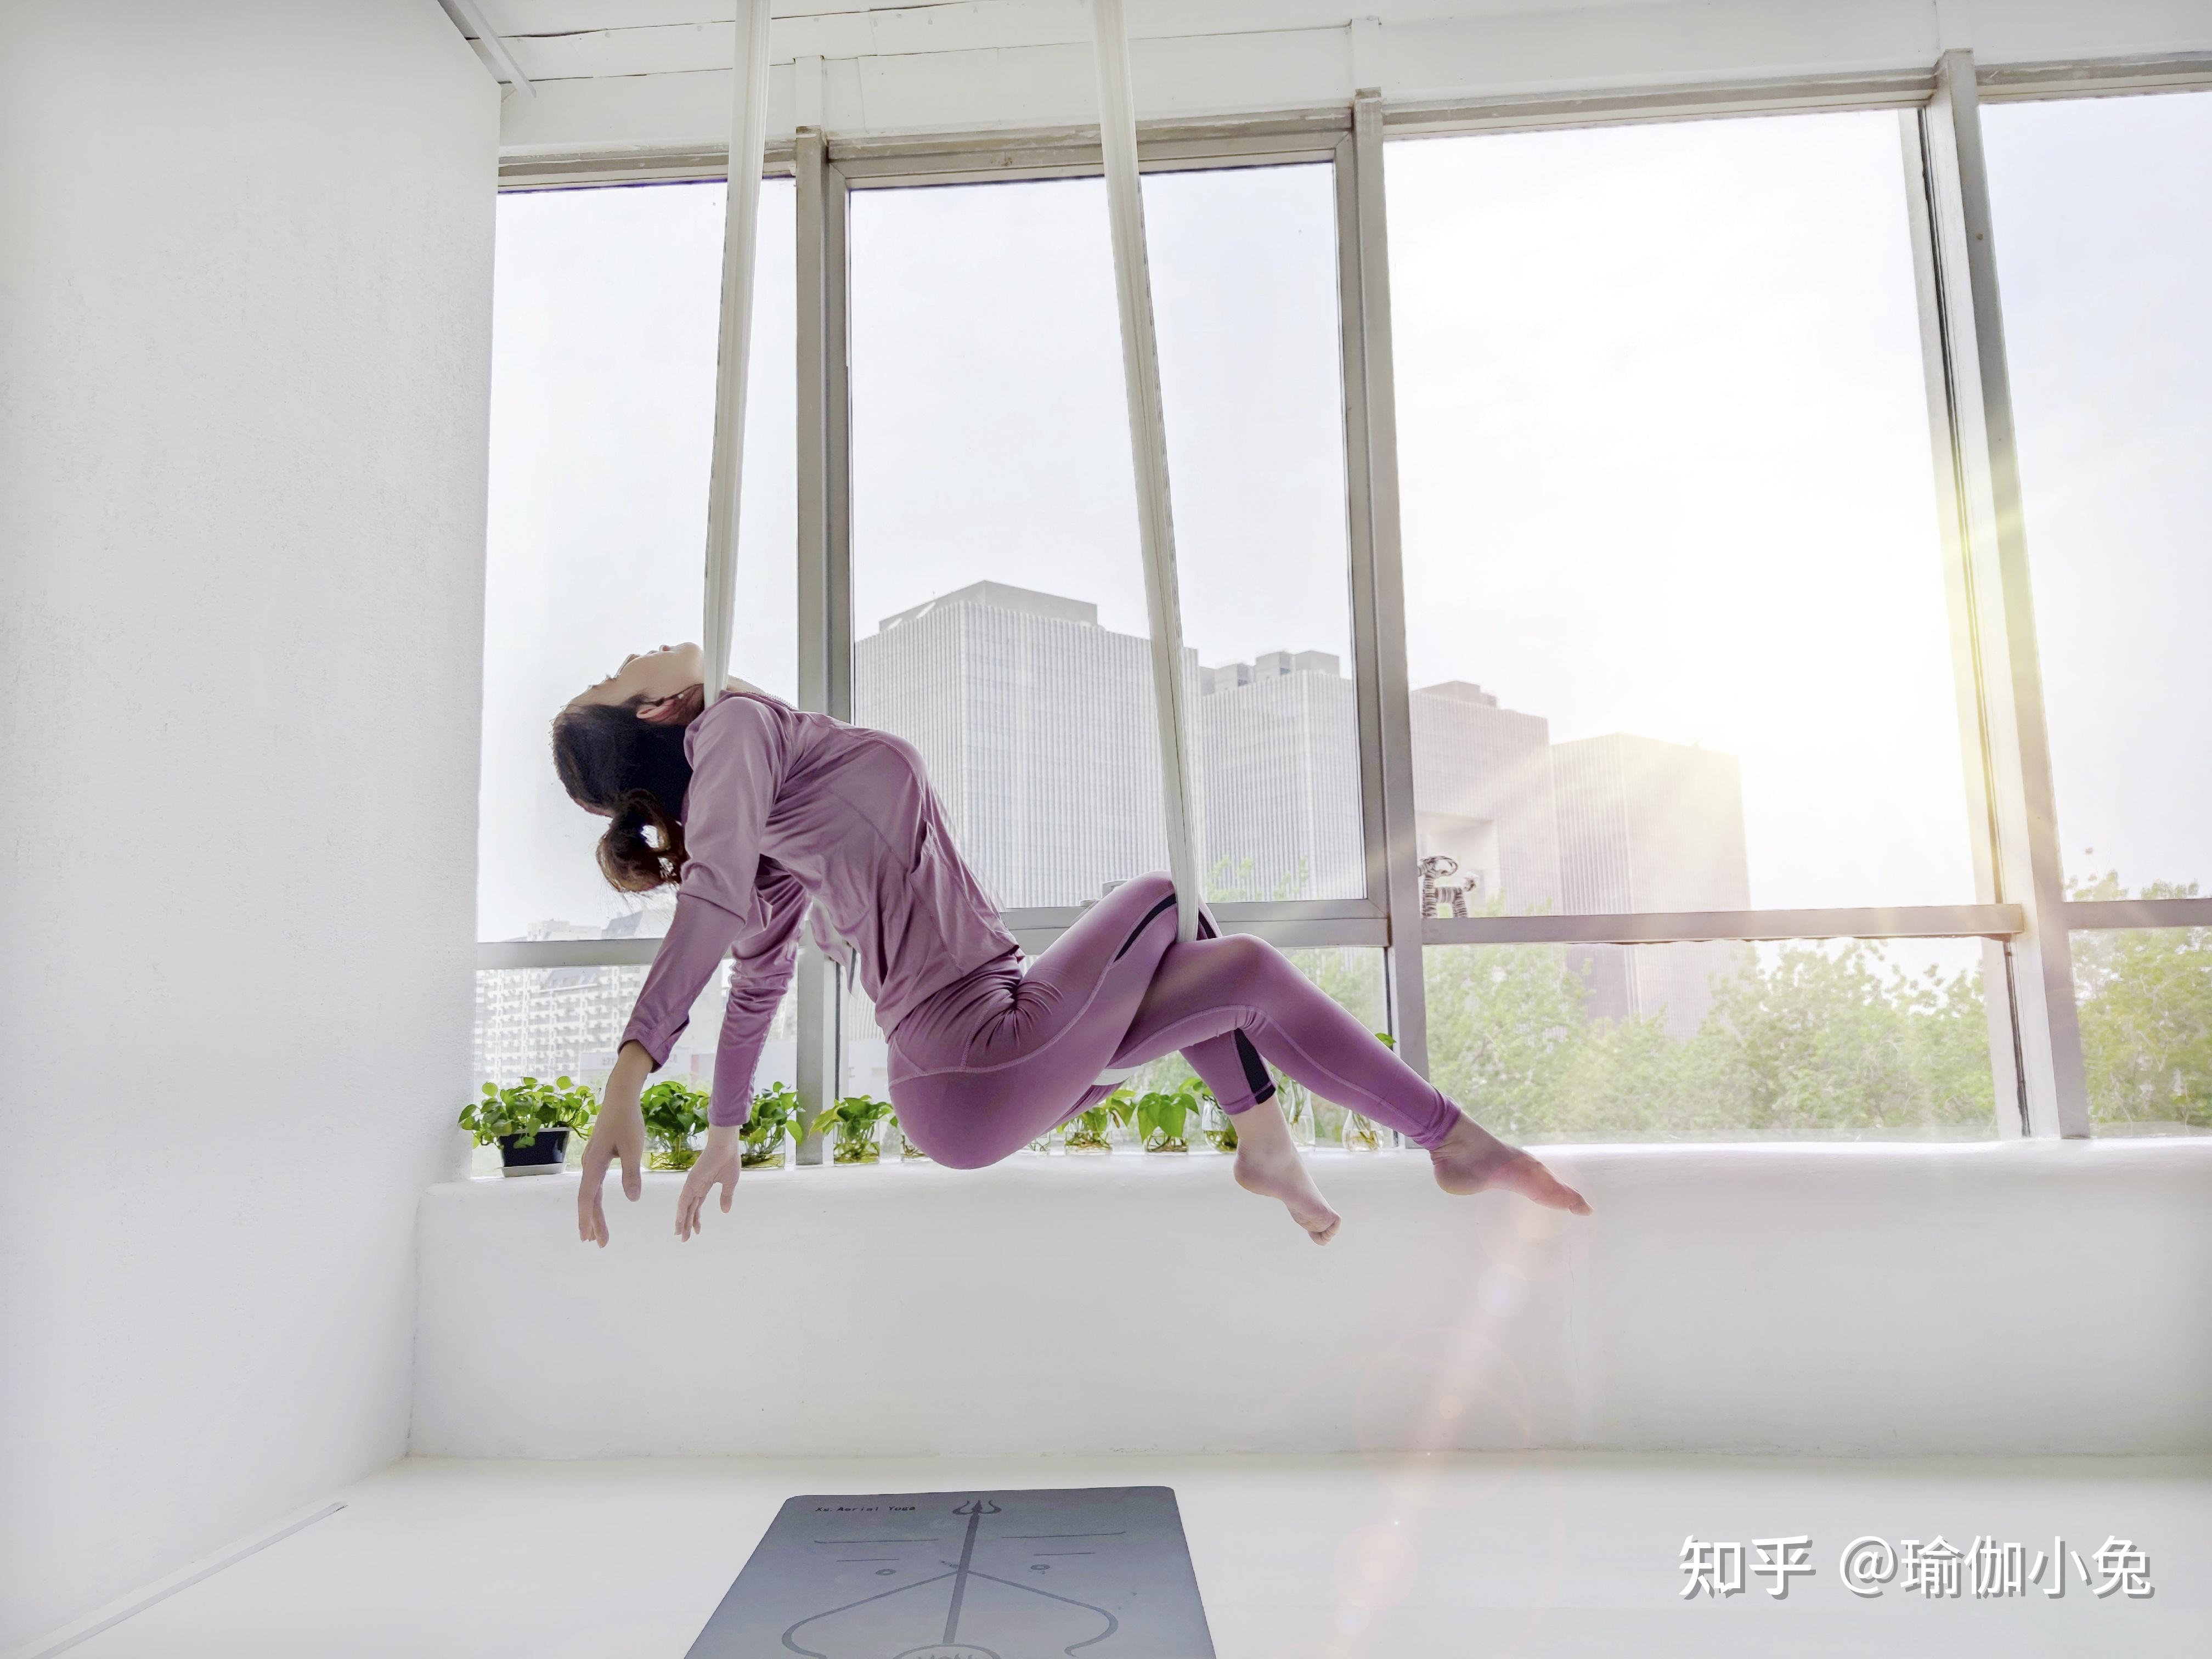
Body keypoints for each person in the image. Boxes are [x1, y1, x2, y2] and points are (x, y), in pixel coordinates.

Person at [552, 644, 1590, 1248]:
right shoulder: (731, 728)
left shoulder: (771, 781)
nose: (644, 643)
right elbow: (723, 910)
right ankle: (1369, 1139)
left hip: (985, 1057)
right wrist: (631, 1074)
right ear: (657, 707)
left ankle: (1336, 1145)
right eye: (618, 669)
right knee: (1162, 895)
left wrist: (727, 1129)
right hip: (975, 1051)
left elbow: (758, 978)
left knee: (1236, 974)